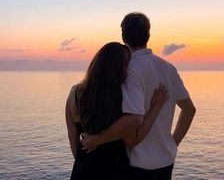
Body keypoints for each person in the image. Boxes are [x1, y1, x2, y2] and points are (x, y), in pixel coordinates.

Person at [81, 13, 196, 180]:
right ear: (148, 35)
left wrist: (97, 139)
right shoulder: (168, 68)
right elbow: (189, 110)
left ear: (123, 36)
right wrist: (173, 142)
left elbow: (134, 119)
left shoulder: (129, 69)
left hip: (138, 165)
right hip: (166, 161)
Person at [66, 42, 168, 180]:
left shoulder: (75, 93)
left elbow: (73, 141)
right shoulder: (121, 99)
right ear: (119, 69)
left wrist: (85, 162)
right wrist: (156, 107)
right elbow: (133, 140)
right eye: (128, 65)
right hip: (115, 172)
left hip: (82, 171)